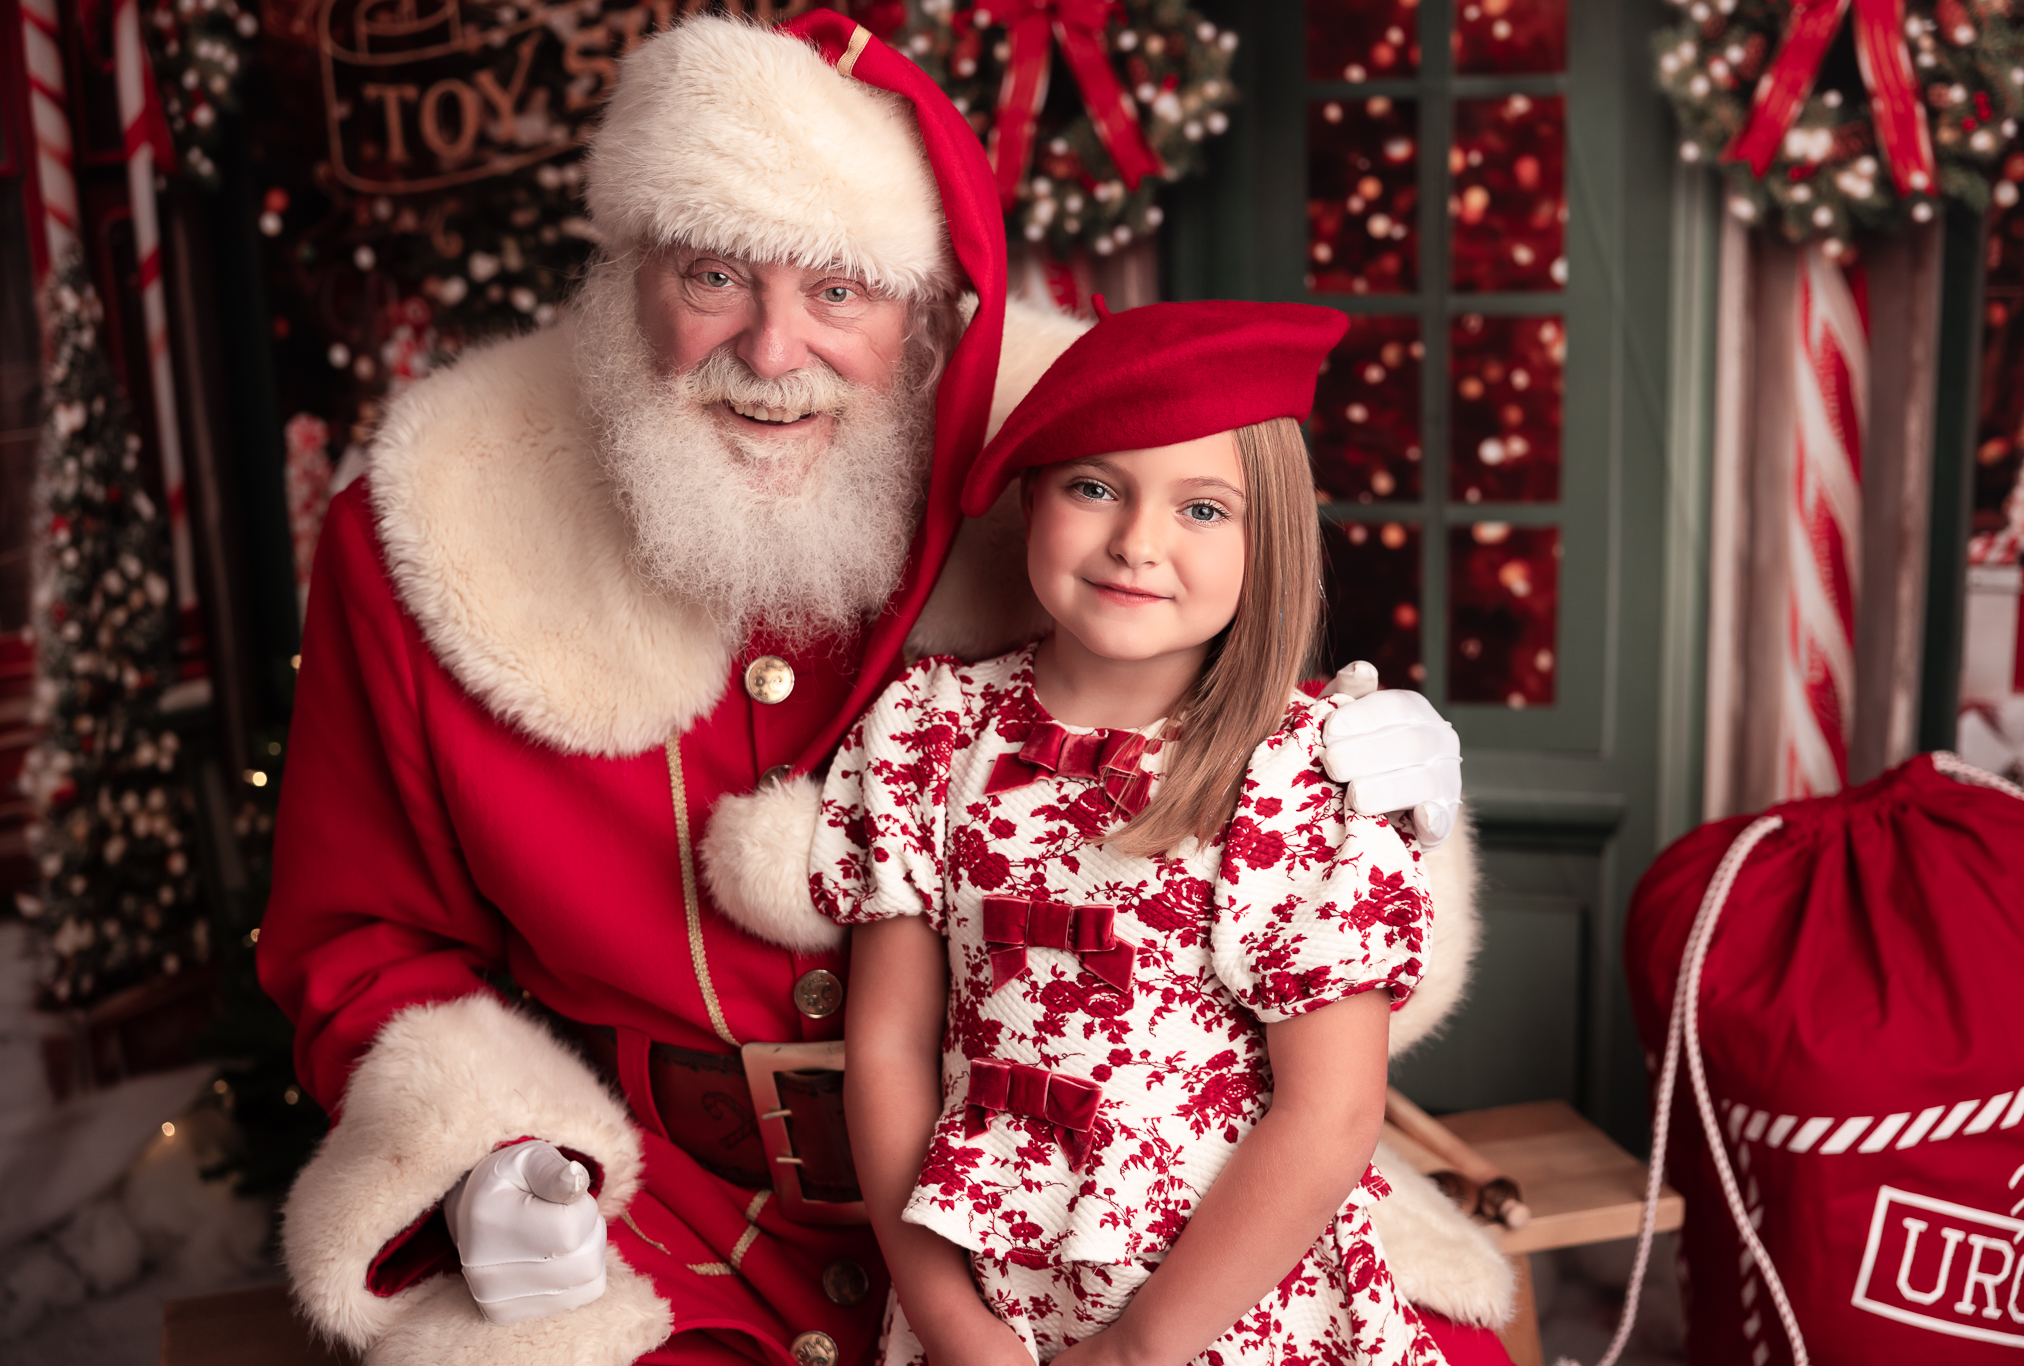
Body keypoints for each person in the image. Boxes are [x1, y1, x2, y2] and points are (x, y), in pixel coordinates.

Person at [259, 13, 1477, 1366]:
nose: (774, 352)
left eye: (840, 289)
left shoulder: (1086, 452)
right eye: (714, 273)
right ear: (625, 275)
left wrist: (1396, 807)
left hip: (1139, 1212)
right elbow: (358, 928)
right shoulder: (435, 527)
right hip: (671, 1215)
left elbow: (1239, 810)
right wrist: (492, 1151)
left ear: (935, 307)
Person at [814, 299, 1472, 1366]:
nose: (1137, 542)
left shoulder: (1298, 769)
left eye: (1203, 509)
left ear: (1272, 538)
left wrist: (1138, 1350)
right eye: (1094, 486)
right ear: (1030, 497)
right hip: (986, 1296)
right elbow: (889, 1044)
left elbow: (1329, 1113)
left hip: (1224, 1313)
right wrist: (946, 1318)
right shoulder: (930, 731)